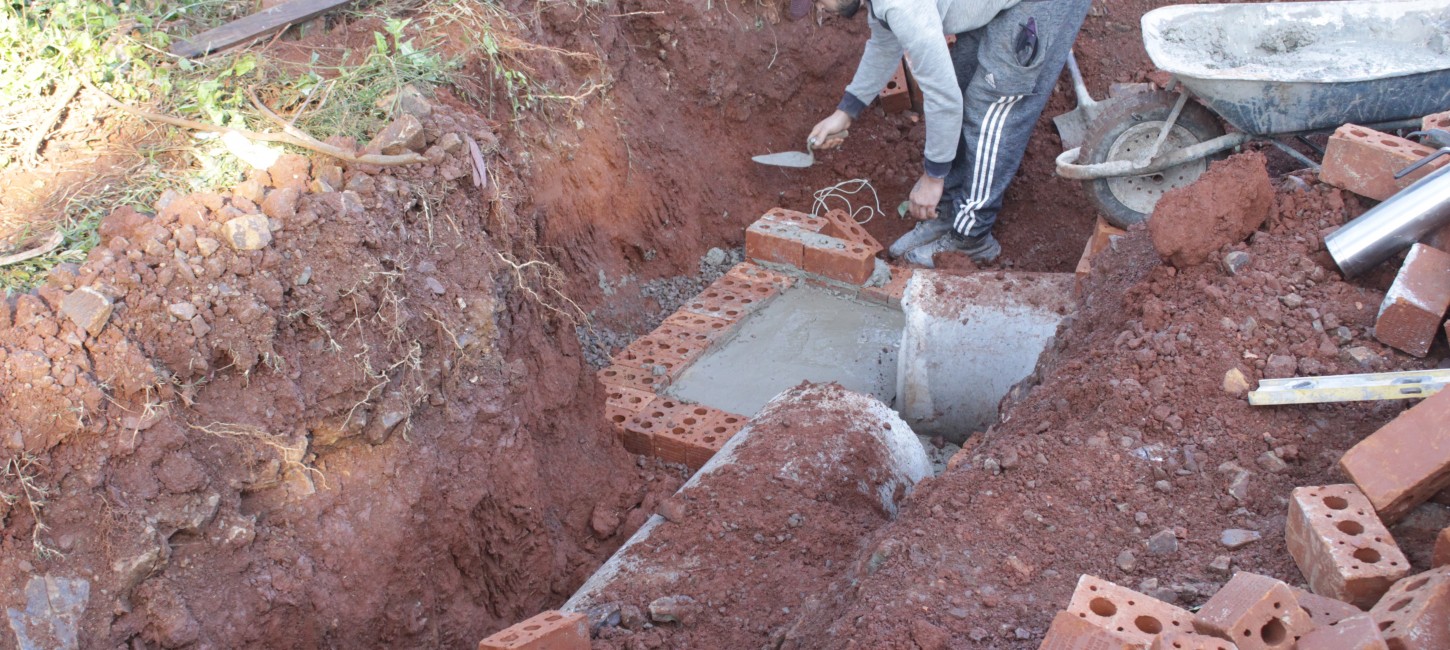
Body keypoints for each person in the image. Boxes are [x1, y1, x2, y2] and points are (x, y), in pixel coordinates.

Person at [809, 0, 1092, 266]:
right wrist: (846, 111)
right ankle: (948, 214)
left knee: (992, 103)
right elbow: (886, 42)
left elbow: (944, 99)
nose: (818, 7)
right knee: (962, 75)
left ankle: (972, 237)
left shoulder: (901, 6)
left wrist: (933, 177)